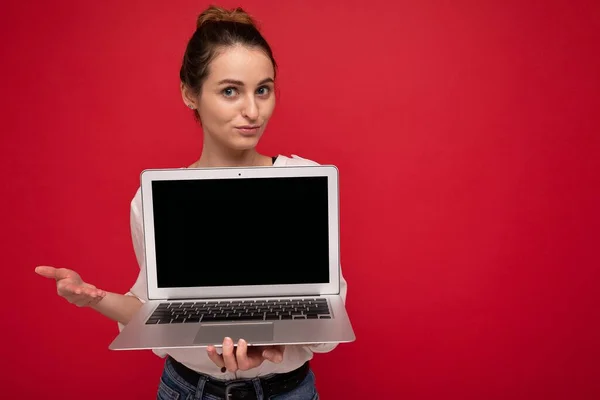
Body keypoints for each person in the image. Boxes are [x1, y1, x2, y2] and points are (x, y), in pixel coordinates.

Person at [35, 5, 348, 400]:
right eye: (230, 91)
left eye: (263, 90)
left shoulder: (304, 179)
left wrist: (278, 344)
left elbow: (327, 323)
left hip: (290, 391)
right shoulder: (152, 201)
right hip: (188, 391)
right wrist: (94, 299)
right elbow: (158, 312)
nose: (253, 111)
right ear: (190, 93)